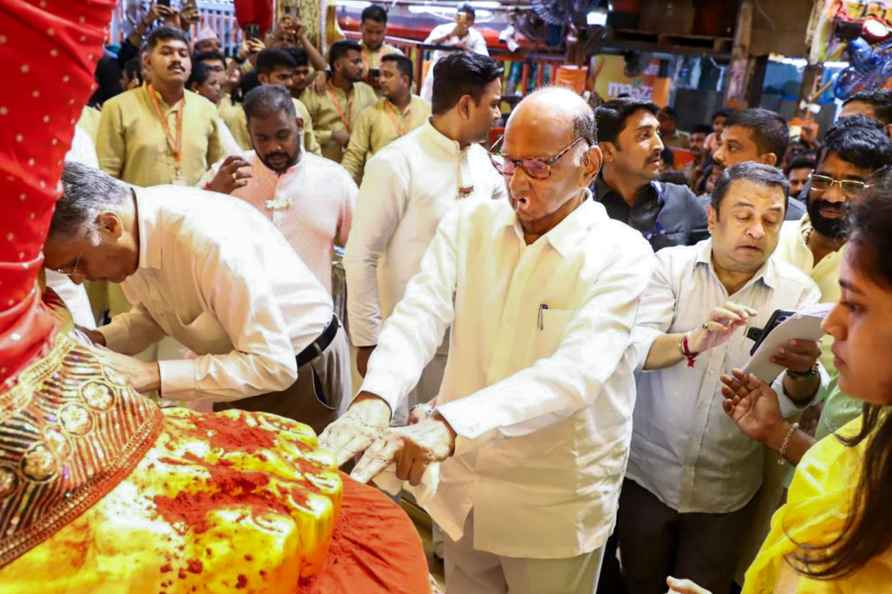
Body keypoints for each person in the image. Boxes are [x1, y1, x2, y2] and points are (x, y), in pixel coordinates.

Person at [326, 86, 655, 594]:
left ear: (589, 165)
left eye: (539, 167)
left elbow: (574, 375)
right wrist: (376, 395)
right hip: (465, 486)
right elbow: (420, 312)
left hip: (552, 498)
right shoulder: (470, 222)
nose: (519, 183)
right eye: (510, 163)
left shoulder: (621, 254)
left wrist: (451, 425)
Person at [667, 167, 892, 594]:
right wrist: (773, 431)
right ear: (712, 217)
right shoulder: (867, 436)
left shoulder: (798, 290)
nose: (834, 323)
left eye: (856, 305)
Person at [619, 163, 823, 594]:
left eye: (770, 219)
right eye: (743, 215)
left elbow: (801, 398)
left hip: (727, 487)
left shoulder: (799, 293)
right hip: (647, 473)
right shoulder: (669, 268)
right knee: (637, 582)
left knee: (702, 587)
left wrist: (802, 371)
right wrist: (692, 341)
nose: (756, 230)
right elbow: (635, 350)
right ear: (712, 218)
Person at [44, 162, 345, 434]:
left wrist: (149, 374)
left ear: (110, 226)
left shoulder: (207, 241)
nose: (76, 278)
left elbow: (273, 367)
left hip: (303, 368)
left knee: (302, 485)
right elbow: (157, 315)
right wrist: (97, 340)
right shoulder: (131, 228)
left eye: (76, 263)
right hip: (242, 370)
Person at [343, 51, 507, 423]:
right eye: (493, 104)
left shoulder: (482, 164)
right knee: (393, 449)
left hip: (465, 337)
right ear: (466, 105)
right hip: (403, 336)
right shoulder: (397, 163)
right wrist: (368, 339)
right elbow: (361, 256)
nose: (498, 114)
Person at [203, 84, 354, 418]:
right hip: (239, 347)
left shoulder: (334, 179)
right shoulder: (225, 176)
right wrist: (214, 194)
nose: (273, 147)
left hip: (310, 346)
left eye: (283, 135)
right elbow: (189, 240)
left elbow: (360, 255)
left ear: (300, 126)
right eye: (262, 138)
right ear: (248, 132)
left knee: (316, 455)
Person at [96, 26, 230, 186]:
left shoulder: (206, 109)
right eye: (167, 52)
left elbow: (217, 169)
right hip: (139, 209)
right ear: (147, 61)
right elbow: (105, 178)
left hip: (195, 208)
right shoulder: (117, 107)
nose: (177, 59)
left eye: (183, 54)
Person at [591, 98, 708, 251]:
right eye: (644, 135)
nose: (659, 145)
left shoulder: (681, 200)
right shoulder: (579, 204)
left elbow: (708, 260)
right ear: (607, 151)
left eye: (657, 132)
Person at [341, 53, 431, 184]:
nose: (381, 80)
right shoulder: (369, 114)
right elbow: (353, 157)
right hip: (381, 187)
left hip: (418, 187)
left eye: (388, 75)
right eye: (380, 74)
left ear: (405, 80)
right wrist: (341, 184)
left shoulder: (428, 111)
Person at [221, 48, 322, 156]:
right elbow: (242, 158)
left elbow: (312, 150)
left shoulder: (298, 106)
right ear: (263, 79)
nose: (290, 83)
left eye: (291, 77)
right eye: (282, 77)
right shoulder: (241, 115)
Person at [713, 107, 806, 220]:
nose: (717, 155)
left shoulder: (795, 222)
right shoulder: (702, 209)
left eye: (732, 148)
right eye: (720, 145)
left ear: (767, 162)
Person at [301, 40, 377, 162]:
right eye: (355, 62)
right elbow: (301, 134)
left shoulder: (367, 91)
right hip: (324, 167)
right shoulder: (314, 92)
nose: (361, 67)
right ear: (337, 66)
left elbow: (376, 127)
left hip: (359, 168)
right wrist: (330, 136)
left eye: (361, 61)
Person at [420, 4, 489, 103]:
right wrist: (449, 35)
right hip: (439, 72)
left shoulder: (476, 36)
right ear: (455, 17)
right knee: (429, 101)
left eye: (468, 19)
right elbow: (427, 45)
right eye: (460, 17)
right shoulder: (442, 29)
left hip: (463, 75)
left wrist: (466, 49)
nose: (464, 21)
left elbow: (484, 57)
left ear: (473, 21)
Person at [358, 4, 404, 92]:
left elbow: (410, 87)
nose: (373, 38)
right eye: (369, 31)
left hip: (387, 104)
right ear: (361, 27)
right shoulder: (350, 55)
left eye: (378, 32)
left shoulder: (396, 55)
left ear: (386, 30)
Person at [684, 124, 712, 188]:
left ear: (709, 142)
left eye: (699, 140)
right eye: (692, 141)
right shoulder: (687, 166)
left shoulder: (713, 169)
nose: (694, 144)